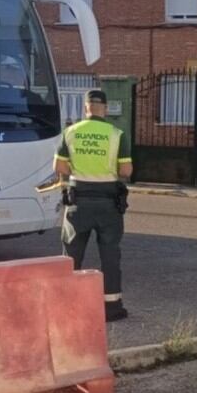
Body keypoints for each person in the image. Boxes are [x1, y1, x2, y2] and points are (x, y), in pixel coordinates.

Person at [56, 89, 133, 321]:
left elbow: (60, 168)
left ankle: (66, 305)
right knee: (110, 254)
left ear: (85, 108)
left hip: (78, 199)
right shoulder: (116, 134)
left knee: (71, 253)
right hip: (108, 201)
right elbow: (125, 171)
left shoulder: (70, 132)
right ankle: (111, 306)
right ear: (105, 109)